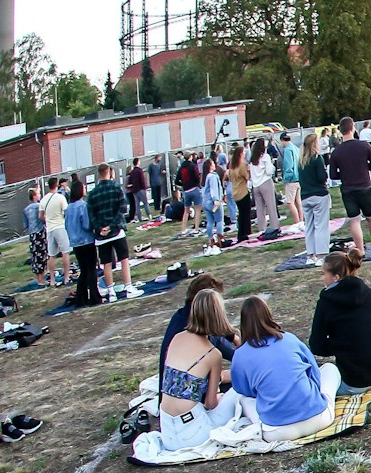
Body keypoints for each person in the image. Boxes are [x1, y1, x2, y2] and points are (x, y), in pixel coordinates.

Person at [230, 296, 341, 443]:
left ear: (243, 322)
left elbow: (244, 391)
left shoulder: (240, 354)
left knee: (242, 399)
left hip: (276, 432)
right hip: (319, 419)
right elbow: (314, 373)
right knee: (330, 368)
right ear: (268, 315)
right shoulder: (289, 338)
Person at [154, 289, 242, 452]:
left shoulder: (176, 338)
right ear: (218, 315)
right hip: (195, 435)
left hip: (167, 435)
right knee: (238, 393)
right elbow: (210, 404)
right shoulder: (212, 354)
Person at [307, 250, 371, 394]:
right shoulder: (369, 293)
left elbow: (316, 346)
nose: (322, 278)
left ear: (336, 277)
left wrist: (340, 346)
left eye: (324, 274)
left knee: (311, 383)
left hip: (355, 380)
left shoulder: (326, 303)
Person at [330, 117, 371, 259]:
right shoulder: (364, 146)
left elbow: (333, 175)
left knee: (354, 220)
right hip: (364, 186)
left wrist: (346, 174)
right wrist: (364, 168)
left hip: (348, 189)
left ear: (340, 131)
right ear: (353, 128)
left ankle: (360, 251)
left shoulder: (337, 152)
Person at [86, 163, 135, 299]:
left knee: (106, 264)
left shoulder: (93, 194)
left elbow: (91, 215)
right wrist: (112, 226)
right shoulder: (116, 187)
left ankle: (111, 292)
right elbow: (122, 209)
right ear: (109, 172)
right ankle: (128, 287)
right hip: (117, 231)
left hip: (101, 235)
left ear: (99, 174)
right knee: (124, 260)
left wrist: (100, 228)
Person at [63, 176, 103, 308]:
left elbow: (67, 226)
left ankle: (81, 298)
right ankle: (94, 297)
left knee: (83, 270)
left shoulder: (68, 208)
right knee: (91, 270)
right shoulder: (83, 206)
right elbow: (86, 224)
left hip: (75, 243)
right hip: (86, 240)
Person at [297, 132, 333, 265]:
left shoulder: (301, 161)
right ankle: (320, 256)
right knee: (321, 226)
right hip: (319, 195)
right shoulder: (317, 159)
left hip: (305, 196)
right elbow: (322, 177)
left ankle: (310, 255)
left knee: (309, 227)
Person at [226, 144, 254, 245]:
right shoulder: (241, 165)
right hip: (243, 191)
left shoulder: (231, 166)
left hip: (235, 192)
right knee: (245, 214)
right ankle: (245, 233)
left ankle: (241, 233)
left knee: (241, 214)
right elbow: (247, 177)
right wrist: (249, 171)